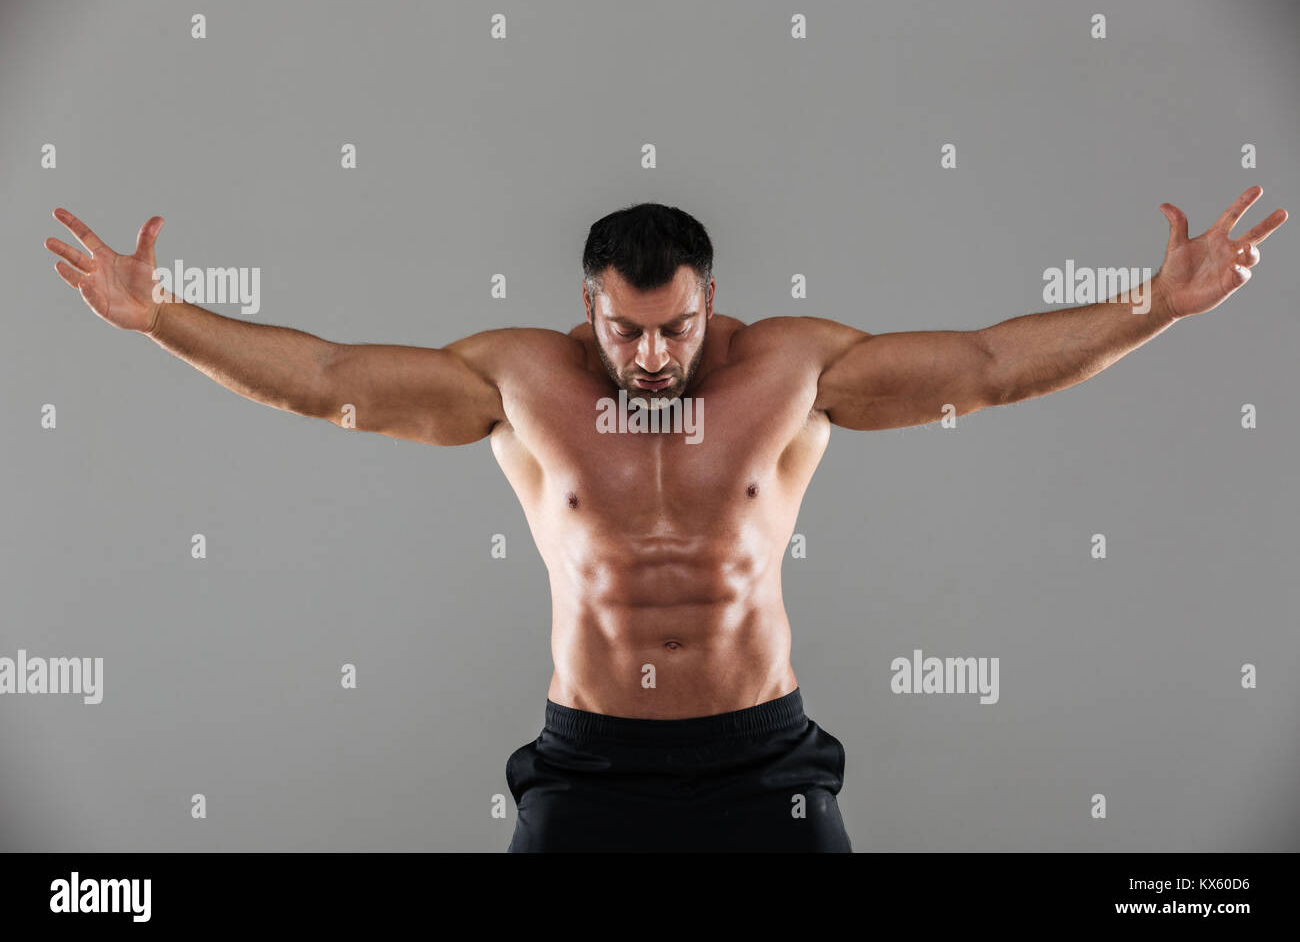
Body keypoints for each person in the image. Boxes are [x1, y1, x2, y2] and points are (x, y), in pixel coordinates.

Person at [44, 192, 1286, 851]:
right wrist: (166, 319)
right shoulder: (517, 379)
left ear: (712, 302)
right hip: (589, 763)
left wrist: (1151, 304)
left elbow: (989, 364)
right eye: (624, 329)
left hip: (762, 760)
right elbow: (326, 380)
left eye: (675, 327)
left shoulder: (793, 367)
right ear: (585, 309)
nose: (649, 354)